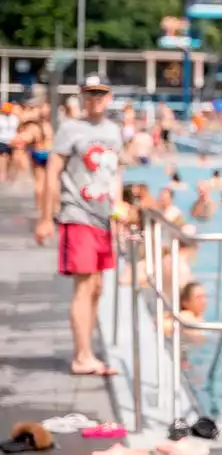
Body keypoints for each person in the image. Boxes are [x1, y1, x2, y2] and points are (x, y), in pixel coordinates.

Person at [34, 74, 123, 376]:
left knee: (97, 287)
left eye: (100, 94)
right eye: (90, 94)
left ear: (109, 97)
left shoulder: (114, 131)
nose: (95, 99)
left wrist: (118, 210)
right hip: (78, 213)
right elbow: (53, 171)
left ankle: (88, 350)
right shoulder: (71, 129)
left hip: (103, 217)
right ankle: (82, 355)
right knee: (84, 287)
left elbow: (115, 174)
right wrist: (46, 217)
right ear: (83, 97)